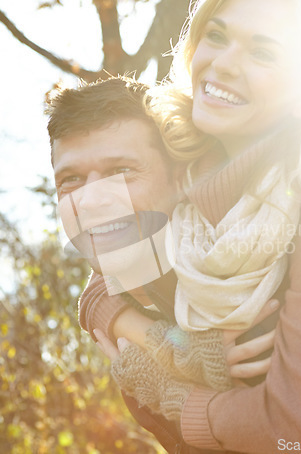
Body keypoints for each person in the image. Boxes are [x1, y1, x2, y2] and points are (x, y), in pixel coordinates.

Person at [89, 0, 301, 452]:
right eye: (216, 36)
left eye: (262, 53)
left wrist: (177, 397)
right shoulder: (177, 163)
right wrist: (168, 346)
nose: (223, 64)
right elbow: (103, 282)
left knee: (258, 324)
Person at [46, 76, 278, 453]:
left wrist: (175, 393)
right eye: (71, 180)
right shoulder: (133, 328)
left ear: (179, 176)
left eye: (120, 171)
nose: (90, 200)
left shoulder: (247, 273)